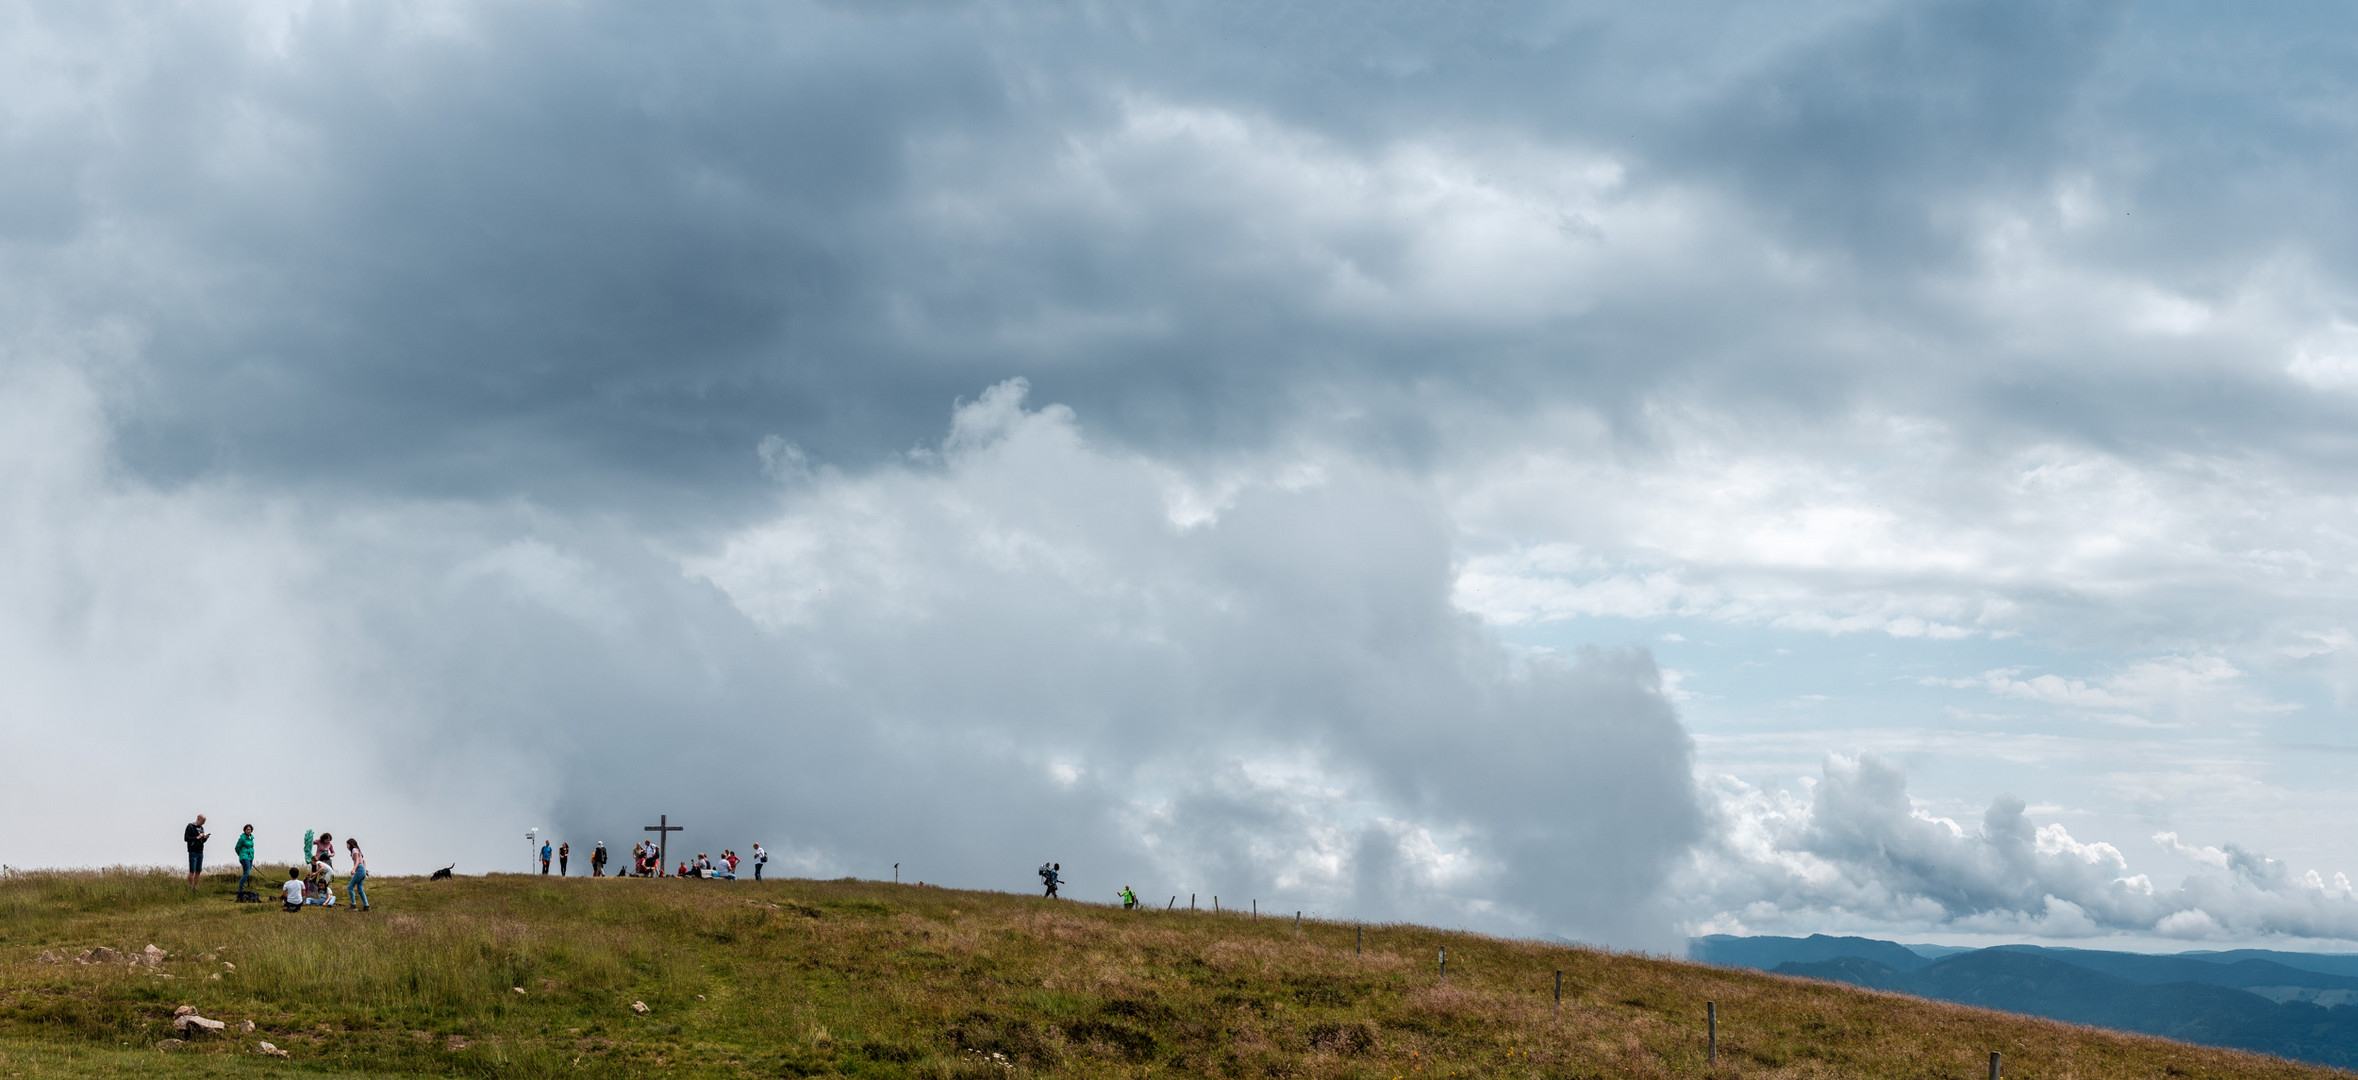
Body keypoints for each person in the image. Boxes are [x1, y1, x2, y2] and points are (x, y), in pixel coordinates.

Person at [183, 814, 211, 889]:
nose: (204, 823)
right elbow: (186, 838)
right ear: (198, 819)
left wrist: (205, 838)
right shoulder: (190, 826)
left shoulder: (201, 828)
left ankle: (195, 887)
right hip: (193, 851)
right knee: (192, 871)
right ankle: (189, 887)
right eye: (203, 821)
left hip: (200, 851)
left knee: (198, 871)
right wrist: (197, 837)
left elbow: (201, 841)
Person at [345, 838, 370, 913]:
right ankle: (366, 906)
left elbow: (358, 861)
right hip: (362, 870)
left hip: (359, 869)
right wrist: (365, 870)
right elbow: (363, 860)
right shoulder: (358, 850)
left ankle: (353, 906)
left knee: (350, 887)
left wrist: (354, 869)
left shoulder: (354, 850)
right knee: (359, 890)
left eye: (347, 845)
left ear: (350, 844)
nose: (347, 847)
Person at [235, 825, 256, 895]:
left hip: (250, 857)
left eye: (249, 829)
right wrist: (241, 854)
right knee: (247, 873)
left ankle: (241, 888)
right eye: (247, 829)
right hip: (244, 857)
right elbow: (237, 847)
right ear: (244, 830)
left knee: (246, 873)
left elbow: (251, 847)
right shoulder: (242, 838)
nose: (248, 831)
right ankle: (240, 889)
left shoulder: (251, 838)